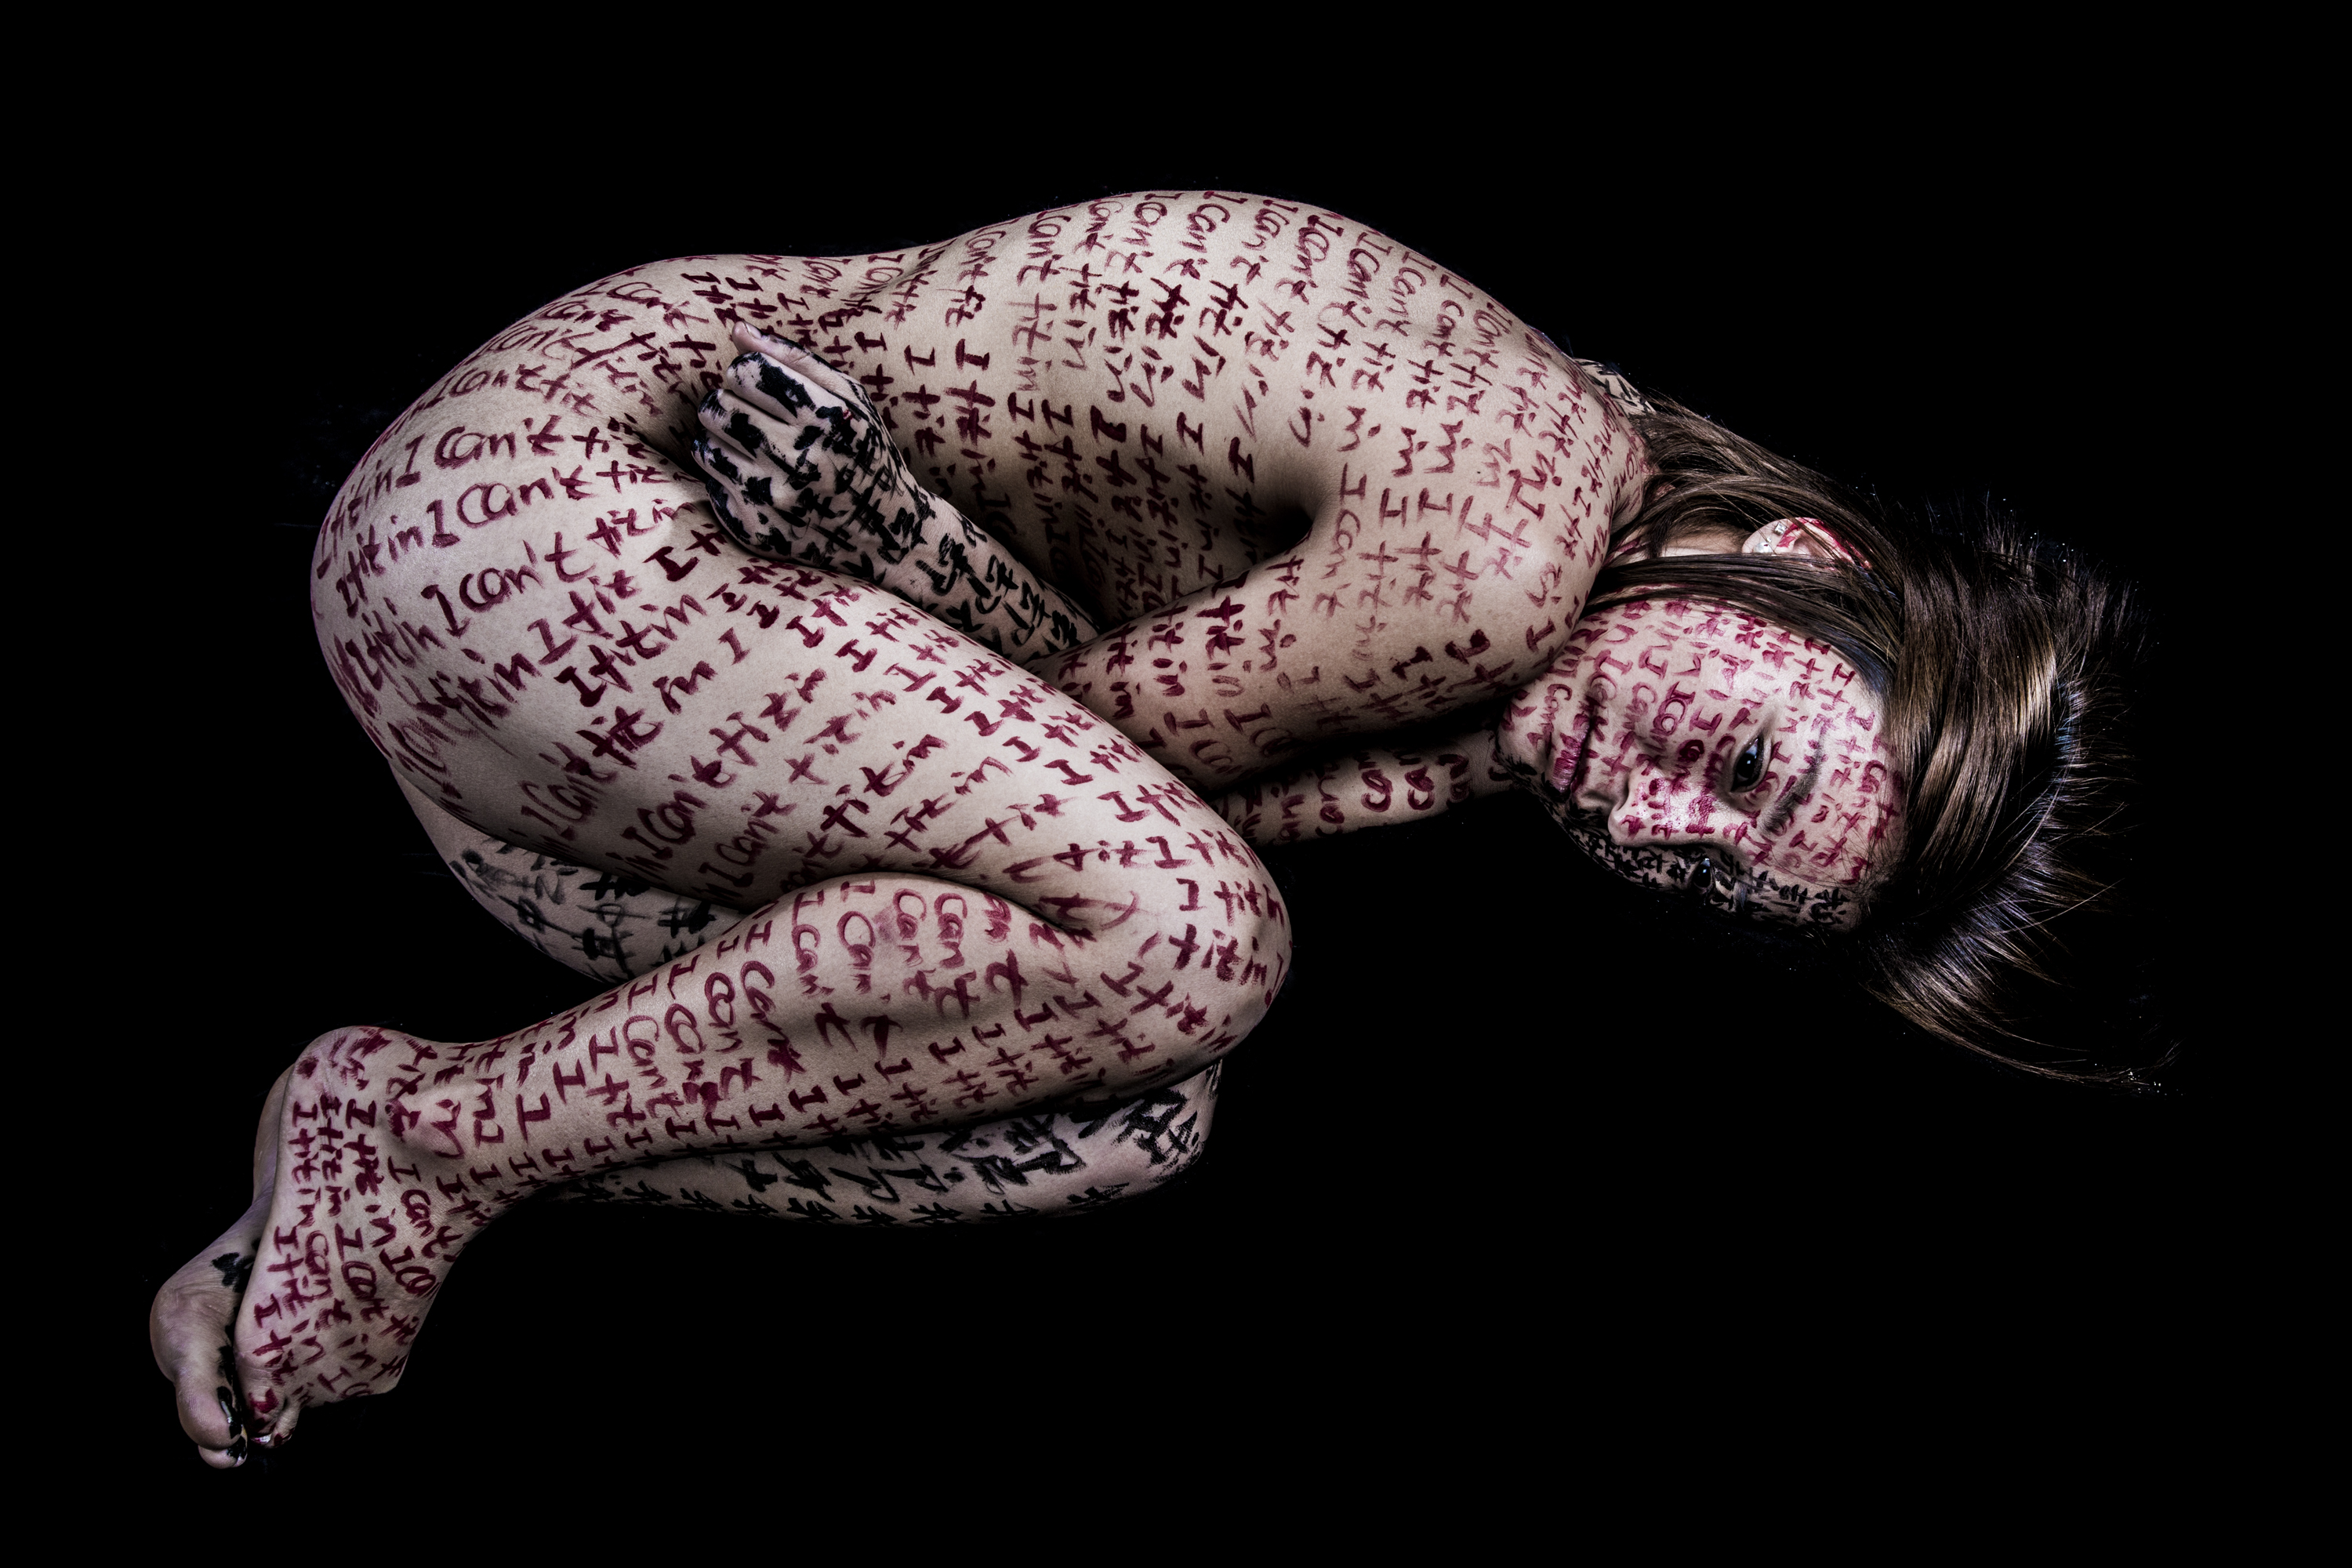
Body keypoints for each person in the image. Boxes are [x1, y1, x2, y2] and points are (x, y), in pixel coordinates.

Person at [149, 191, 2154, 1468]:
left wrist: (905, 541)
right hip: (549, 519)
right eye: (1742, 767)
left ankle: (322, 1226)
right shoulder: (1506, 544)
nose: (1645, 820)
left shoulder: (1530, 660)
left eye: (1708, 870)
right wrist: (905, 544)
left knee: (1123, 1123)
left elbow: (1008, 798)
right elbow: (1077, 771)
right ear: (1801, 561)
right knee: (1197, 948)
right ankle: (421, 1142)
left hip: (557, 775)